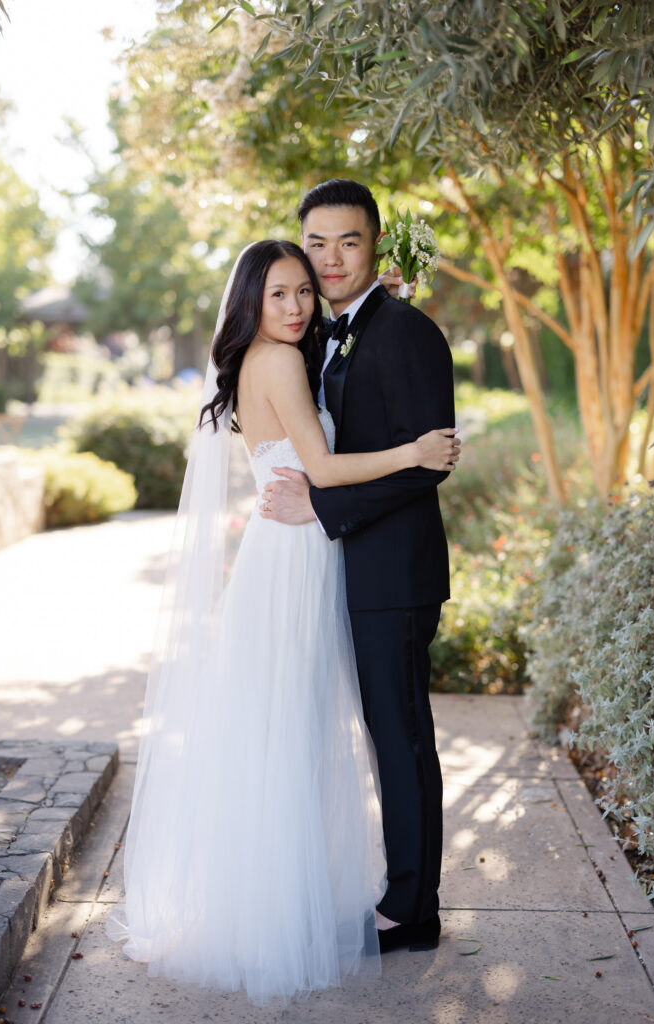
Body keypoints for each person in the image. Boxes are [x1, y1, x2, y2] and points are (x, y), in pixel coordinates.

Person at [105, 239, 459, 1005]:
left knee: (285, 731)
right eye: (279, 296)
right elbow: (324, 469)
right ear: (251, 304)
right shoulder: (276, 362)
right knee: (287, 734)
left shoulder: (278, 352)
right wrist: (415, 450)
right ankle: (269, 914)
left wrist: (379, 294)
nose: (297, 307)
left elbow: (326, 387)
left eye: (305, 291)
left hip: (294, 549)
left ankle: (276, 898)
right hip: (293, 559)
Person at [260, 180, 457, 955]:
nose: (332, 257)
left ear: (373, 243)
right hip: (355, 572)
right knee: (381, 735)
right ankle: (397, 892)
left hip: (395, 577)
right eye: (317, 243)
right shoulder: (336, 328)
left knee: (401, 738)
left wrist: (322, 506)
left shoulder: (404, 331)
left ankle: (412, 910)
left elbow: (427, 462)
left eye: (348, 241)